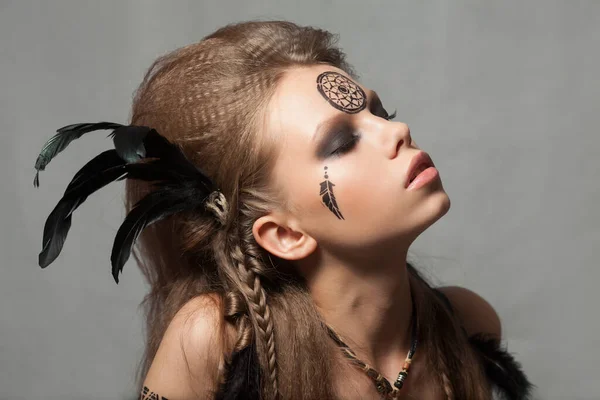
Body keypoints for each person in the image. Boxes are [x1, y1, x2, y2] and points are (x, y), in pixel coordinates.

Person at [33, 20, 533, 400]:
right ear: (285, 234)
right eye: (341, 143)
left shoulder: (467, 324)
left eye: (379, 113)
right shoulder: (217, 340)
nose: (396, 132)